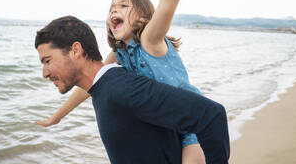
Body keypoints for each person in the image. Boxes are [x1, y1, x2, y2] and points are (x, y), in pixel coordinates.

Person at [35, 0, 230, 163]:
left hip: (188, 124)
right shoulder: (118, 54)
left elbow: (167, 6)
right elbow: (90, 85)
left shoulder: (149, 39)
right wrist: (58, 116)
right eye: (112, 8)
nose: (114, 11)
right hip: (164, 122)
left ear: (143, 14)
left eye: (124, 5)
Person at [35, 15, 230, 164]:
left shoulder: (121, 88)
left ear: (75, 50)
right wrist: (56, 117)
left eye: (48, 61)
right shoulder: (103, 89)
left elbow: (211, 115)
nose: (44, 73)